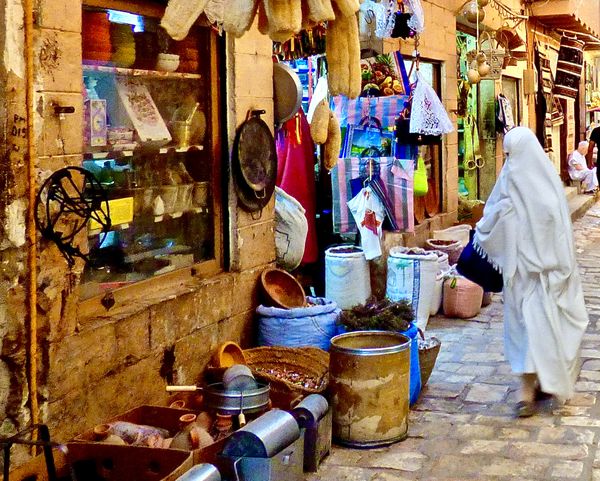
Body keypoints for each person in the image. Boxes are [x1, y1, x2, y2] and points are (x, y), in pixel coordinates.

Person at [473, 127, 589, 417]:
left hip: (547, 280)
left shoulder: (550, 195)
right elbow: (488, 223)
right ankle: (526, 389)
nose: (510, 163)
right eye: (507, 156)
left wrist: (559, 272)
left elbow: (561, 238)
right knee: (522, 332)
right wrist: (502, 216)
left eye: (514, 156)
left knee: (544, 331)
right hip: (519, 280)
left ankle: (542, 382)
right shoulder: (507, 190)